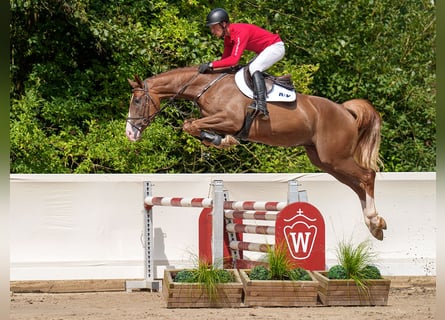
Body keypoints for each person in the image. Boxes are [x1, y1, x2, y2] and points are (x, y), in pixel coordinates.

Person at [199, 8, 285, 120]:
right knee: (243, 70)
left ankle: (262, 106)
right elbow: (225, 61)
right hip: (264, 51)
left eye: (214, 27)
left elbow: (234, 60)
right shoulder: (228, 39)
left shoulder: (239, 32)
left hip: (275, 47)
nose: (212, 31)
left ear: (224, 24)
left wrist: (210, 64)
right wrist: (211, 71)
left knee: (254, 68)